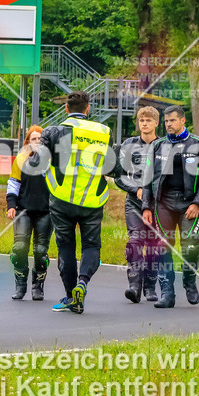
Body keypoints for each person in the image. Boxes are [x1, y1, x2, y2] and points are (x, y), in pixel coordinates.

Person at [39, 90, 121, 315]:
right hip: (92, 200)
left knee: (66, 246)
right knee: (91, 246)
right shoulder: (104, 132)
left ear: (66, 109)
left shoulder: (53, 131)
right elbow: (113, 168)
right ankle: (82, 284)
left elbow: (36, 162)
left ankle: (70, 297)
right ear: (88, 109)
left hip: (62, 198)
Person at [141, 105, 199, 308]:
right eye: (166, 121)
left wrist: (198, 203)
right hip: (163, 203)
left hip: (189, 203)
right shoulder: (157, 146)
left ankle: (190, 281)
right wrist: (146, 206)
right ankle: (167, 293)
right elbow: (147, 178)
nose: (168, 125)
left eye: (172, 120)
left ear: (183, 121)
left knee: (190, 246)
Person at [115, 105, 160, 303]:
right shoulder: (129, 145)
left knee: (153, 246)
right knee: (135, 242)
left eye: (148, 120)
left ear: (156, 123)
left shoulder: (166, 146)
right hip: (134, 202)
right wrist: (137, 190)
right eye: (141, 120)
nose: (144, 124)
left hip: (158, 205)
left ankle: (150, 286)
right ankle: (134, 285)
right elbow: (119, 177)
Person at [6, 125, 52, 301]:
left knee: (40, 251)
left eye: (40, 139)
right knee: (19, 249)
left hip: (46, 212)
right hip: (22, 210)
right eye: (33, 139)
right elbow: (13, 184)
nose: (37, 142)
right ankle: (20, 286)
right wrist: (11, 205)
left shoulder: (51, 161)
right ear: (27, 142)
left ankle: (37, 286)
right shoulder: (21, 159)